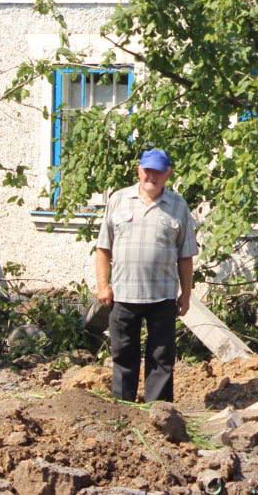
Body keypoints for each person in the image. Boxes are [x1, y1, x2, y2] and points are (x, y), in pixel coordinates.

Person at [95, 148, 198, 402]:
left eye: (158, 171)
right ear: (138, 170)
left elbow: (185, 256)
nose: (152, 176)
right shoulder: (118, 200)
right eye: (147, 170)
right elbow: (103, 248)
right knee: (123, 355)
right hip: (123, 294)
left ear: (168, 174)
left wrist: (186, 295)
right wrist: (102, 286)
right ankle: (123, 409)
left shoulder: (178, 205)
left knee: (161, 359)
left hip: (162, 297)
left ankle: (159, 413)